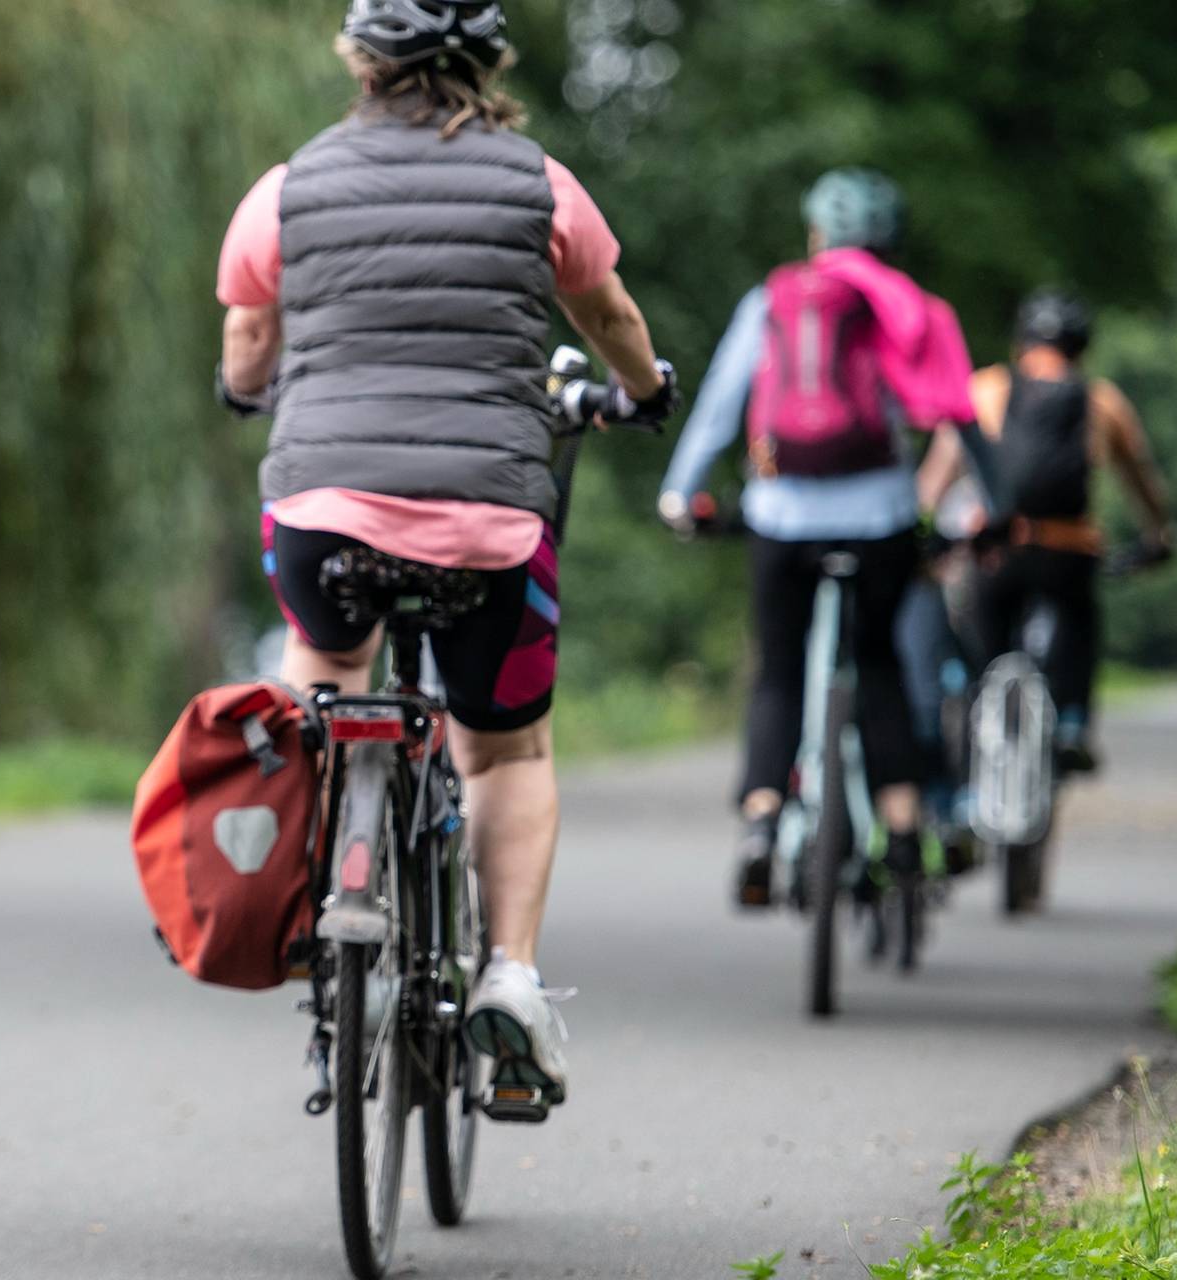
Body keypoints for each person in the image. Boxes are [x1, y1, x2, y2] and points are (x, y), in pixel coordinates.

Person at [216, 0, 674, 1116]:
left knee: (320, 679)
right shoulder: (539, 183)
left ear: (361, 63)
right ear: (488, 63)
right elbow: (606, 309)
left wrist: (247, 392)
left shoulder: (289, 185)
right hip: (490, 518)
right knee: (506, 750)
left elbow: (245, 336)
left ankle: (323, 903)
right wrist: (647, 390)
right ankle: (509, 975)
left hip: (322, 516)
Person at [657, 169, 986, 909]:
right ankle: (903, 831)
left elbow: (719, 405)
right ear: (889, 241)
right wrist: (994, 509)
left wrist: (680, 491)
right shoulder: (909, 305)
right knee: (879, 664)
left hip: (781, 516)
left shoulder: (772, 298)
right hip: (880, 520)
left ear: (817, 235)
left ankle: (761, 826)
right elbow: (955, 413)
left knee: (778, 671)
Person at [916, 291, 1176, 772]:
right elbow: (1143, 482)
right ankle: (1073, 721)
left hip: (995, 550)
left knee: (981, 661)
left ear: (1021, 342)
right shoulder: (1102, 401)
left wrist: (921, 533)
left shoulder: (985, 389)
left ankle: (972, 762)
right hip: (1067, 551)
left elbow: (936, 477)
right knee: (1079, 619)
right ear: (1080, 348)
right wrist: (1160, 537)